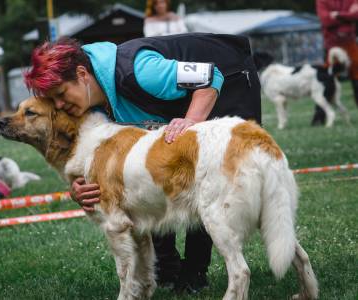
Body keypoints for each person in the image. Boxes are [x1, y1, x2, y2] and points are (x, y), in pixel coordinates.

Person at [24, 34, 261, 293]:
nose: (59, 105)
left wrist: (191, 121)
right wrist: (78, 188)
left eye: (60, 94)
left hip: (228, 79)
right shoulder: (87, 96)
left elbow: (209, 77)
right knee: (149, 177)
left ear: (82, 73)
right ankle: (168, 271)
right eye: (52, 100)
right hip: (179, 100)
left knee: (204, 177)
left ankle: (195, 272)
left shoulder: (138, 71)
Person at [313, 0, 358, 124]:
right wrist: (347, 16)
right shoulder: (322, 1)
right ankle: (319, 118)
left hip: (350, 43)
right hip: (331, 45)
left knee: (357, 79)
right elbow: (326, 20)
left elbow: (356, 15)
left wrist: (337, 15)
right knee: (326, 81)